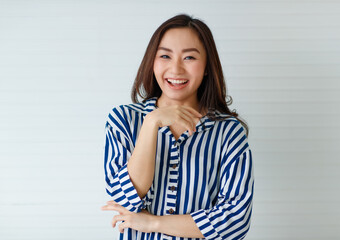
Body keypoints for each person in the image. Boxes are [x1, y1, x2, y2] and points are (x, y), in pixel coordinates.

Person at [101, 14, 254, 240]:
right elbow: (124, 198)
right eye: (165, 55)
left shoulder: (229, 132)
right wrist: (152, 123)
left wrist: (153, 222)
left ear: (207, 67)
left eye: (189, 57)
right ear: (152, 61)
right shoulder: (123, 120)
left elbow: (234, 221)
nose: (176, 69)